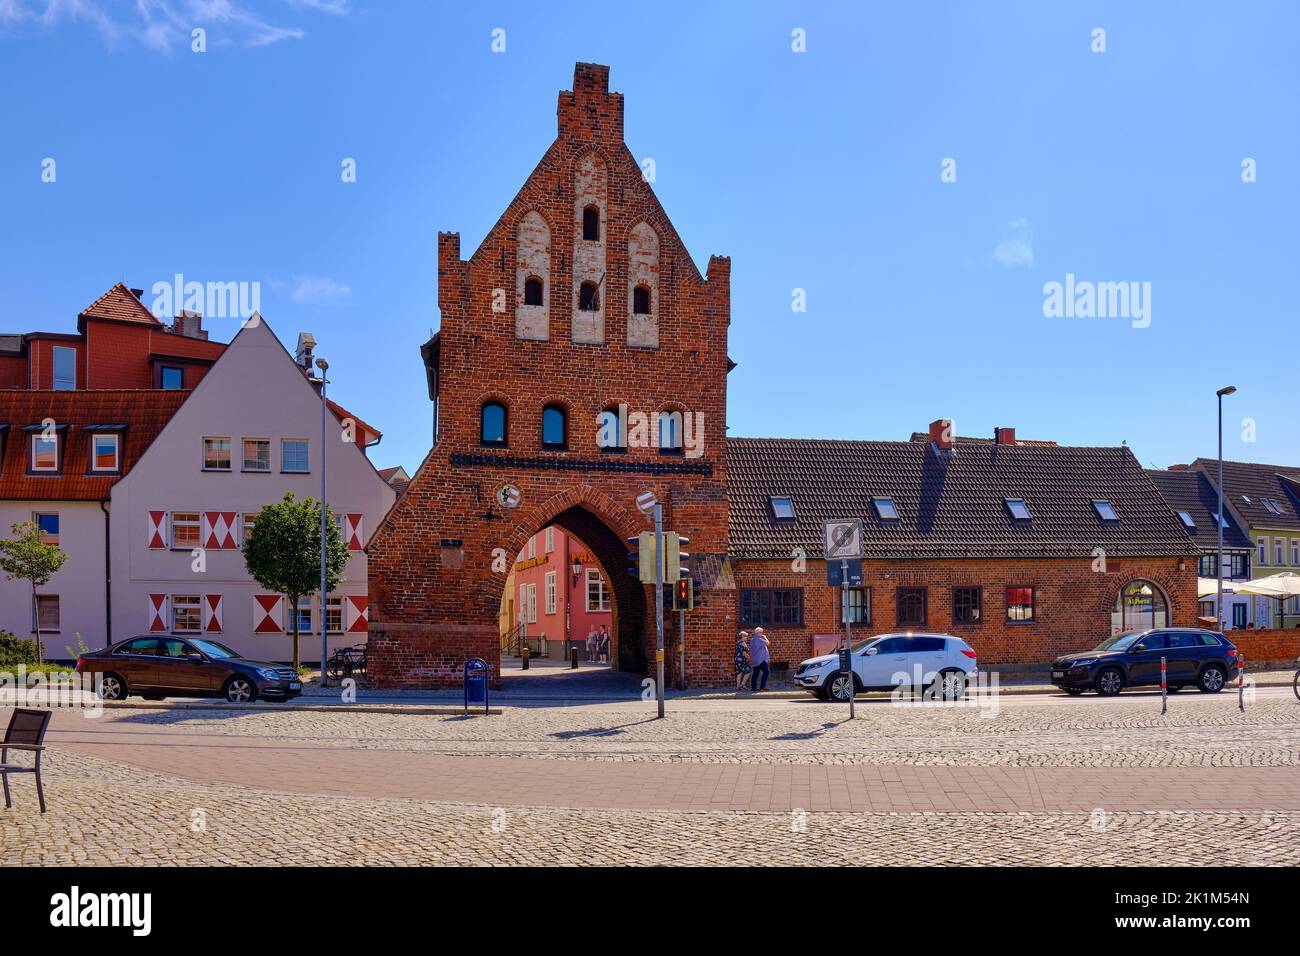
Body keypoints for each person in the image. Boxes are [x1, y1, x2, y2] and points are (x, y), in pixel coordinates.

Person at [749, 627, 771, 692]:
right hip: (760, 660)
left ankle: (753, 687)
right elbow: (768, 643)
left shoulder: (752, 640)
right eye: (761, 632)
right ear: (757, 633)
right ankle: (762, 687)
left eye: (762, 632)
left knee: (755, 673)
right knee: (766, 672)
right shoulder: (758, 639)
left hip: (755, 660)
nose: (762, 634)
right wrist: (765, 637)